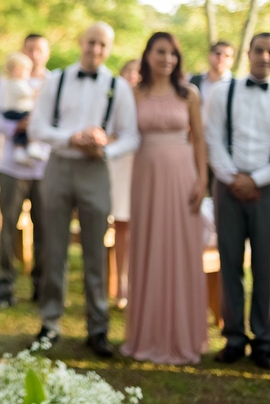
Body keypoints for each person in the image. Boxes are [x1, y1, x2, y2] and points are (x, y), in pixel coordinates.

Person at [27, 22, 139, 357]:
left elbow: (132, 135)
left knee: (95, 251)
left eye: (103, 45)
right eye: (91, 43)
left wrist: (104, 149)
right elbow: (36, 127)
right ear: (81, 42)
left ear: (109, 48)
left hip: (96, 170)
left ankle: (98, 328)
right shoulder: (56, 80)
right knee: (53, 250)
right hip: (59, 167)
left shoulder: (117, 87)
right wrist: (72, 138)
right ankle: (49, 324)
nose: (96, 50)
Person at [204, 32, 270, 370]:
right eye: (259, 50)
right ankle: (233, 338)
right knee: (229, 263)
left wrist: (256, 180)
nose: (265, 56)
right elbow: (212, 139)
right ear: (248, 53)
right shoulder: (222, 92)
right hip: (227, 185)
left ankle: (264, 342)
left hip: (268, 188)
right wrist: (233, 177)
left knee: (266, 266)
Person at [121, 32, 208, 365]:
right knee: (148, 247)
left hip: (183, 175)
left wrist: (202, 179)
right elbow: (125, 133)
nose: (167, 59)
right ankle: (148, 335)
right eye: (160, 52)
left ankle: (183, 335)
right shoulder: (134, 93)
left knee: (182, 250)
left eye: (172, 53)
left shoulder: (190, 94)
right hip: (146, 176)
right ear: (148, 55)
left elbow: (199, 140)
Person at [0, 35, 51, 309]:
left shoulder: (54, 83)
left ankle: (42, 284)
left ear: (47, 53)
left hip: (44, 168)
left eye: (39, 50)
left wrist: (36, 128)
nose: (34, 55)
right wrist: (20, 126)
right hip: (12, 168)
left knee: (45, 228)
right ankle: (5, 285)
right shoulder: (7, 82)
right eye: (29, 49)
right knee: (8, 226)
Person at [108, 59, 140, 309]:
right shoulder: (115, 97)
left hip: (145, 166)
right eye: (129, 71)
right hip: (120, 165)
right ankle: (121, 285)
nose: (134, 76)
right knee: (122, 226)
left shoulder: (149, 98)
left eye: (139, 72)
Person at [0, 52, 47, 166]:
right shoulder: (17, 83)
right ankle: (33, 145)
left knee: (20, 134)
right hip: (18, 113)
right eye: (26, 71)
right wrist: (37, 91)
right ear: (17, 71)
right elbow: (28, 93)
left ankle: (19, 151)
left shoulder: (11, 83)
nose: (28, 74)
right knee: (32, 123)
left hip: (11, 113)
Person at [190, 41, 234, 110]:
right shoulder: (193, 81)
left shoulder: (236, 86)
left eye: (227, 56)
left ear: (232, 60)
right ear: (209, 55)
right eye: (218, 54)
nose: (221, 58)